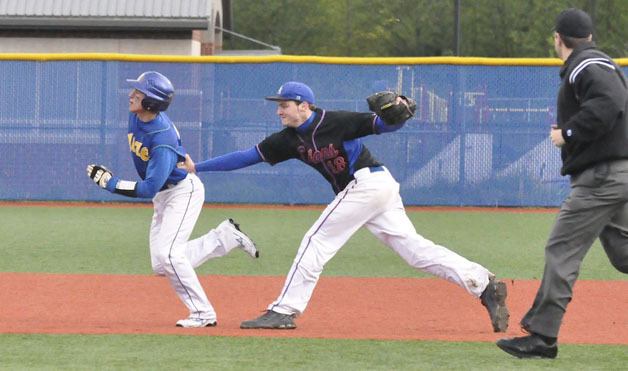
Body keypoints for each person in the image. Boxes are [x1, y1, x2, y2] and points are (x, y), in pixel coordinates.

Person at [181, 81, 510, 332]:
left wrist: (400, 112)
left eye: (284, 105)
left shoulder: (334, 121)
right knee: (415, 252)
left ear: (304, 105)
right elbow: (246, 157)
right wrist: (199, 167)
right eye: (278, 105)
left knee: (316, 240)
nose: (279, 111)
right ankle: (484, 284)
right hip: (370, 190)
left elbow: (383, 125)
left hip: (368, 183)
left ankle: (284, 310)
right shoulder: (287, 139)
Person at [497, 8, 628, 359]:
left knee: (562, 250)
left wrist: (568, 133)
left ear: (558, 39)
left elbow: (610, 102)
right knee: (623, 253)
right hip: (616, 175)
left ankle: (542, 335)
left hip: (600, 179)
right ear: (587, 36)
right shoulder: (595, 61)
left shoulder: (586, 64)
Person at [86, 71, 259, 328]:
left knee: (169, 255)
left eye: (139, 92)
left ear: (151, 103)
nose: (132, 95)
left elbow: (148, 188)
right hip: (165, 194)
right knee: (161, 263)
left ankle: (203, 313)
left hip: (182, 192)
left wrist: (112, 184)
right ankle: (224, 237)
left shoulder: (161, 138)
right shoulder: (137, 116)